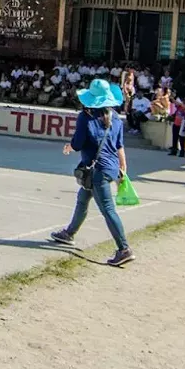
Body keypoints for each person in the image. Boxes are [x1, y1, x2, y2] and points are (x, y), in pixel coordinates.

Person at [50, 78, 136, 267]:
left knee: (108, 209)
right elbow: (119, 146)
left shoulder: (85, 117)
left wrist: (69, 148)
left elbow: (78, 142)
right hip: (109, 168)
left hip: (97, 171)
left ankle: (124, 248)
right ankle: (69, 233)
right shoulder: (116, 118)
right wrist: (123, 168)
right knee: (82, 199)